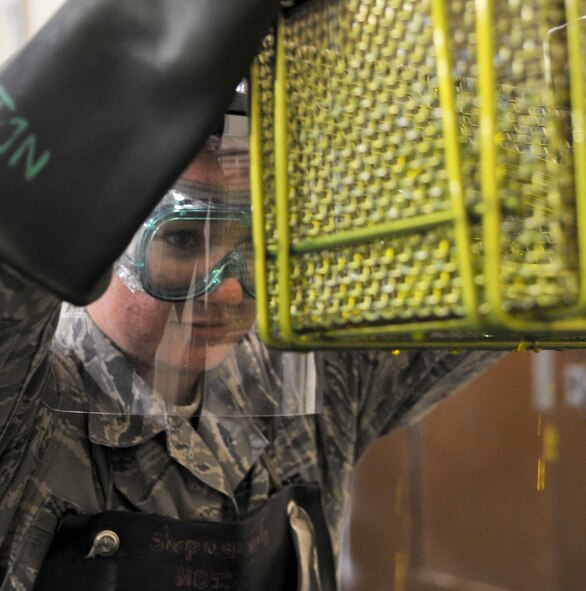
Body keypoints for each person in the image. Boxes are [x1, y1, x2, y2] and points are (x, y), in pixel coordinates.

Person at [0, 1, 500, 590]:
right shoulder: (25, 410)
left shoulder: (311, 385)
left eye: (261, 245)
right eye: (184, 239)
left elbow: (501, 280)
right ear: (98, 236)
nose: (234, 286)